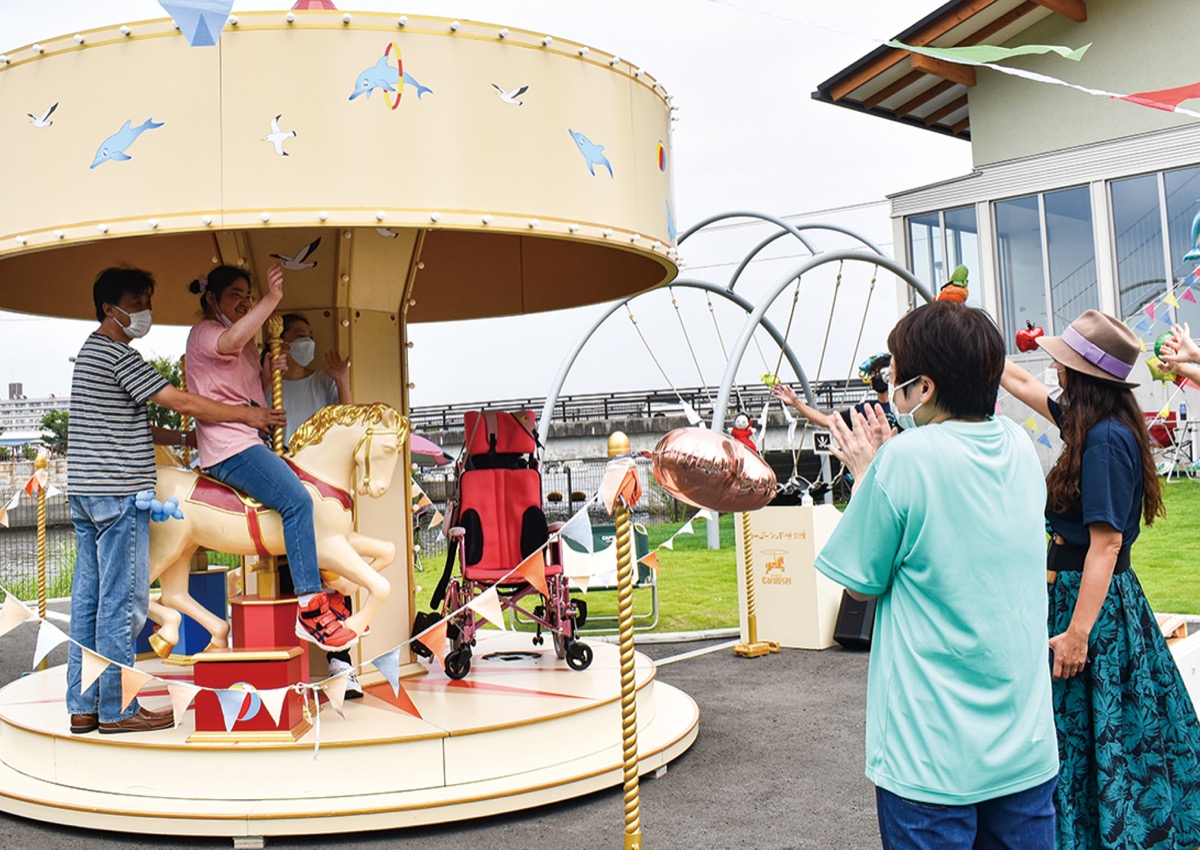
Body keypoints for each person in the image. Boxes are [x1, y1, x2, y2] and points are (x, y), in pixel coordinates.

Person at [815, 302, 1058, 849]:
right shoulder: (1020, 446)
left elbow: (860, 582)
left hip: (930, 754)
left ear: (922, 387)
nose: (889, 384)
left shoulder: (904, 461)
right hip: (1025, 742)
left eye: (893, 372)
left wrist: (865, 472)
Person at [1000, 309, 1200, 850]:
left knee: (1098, 731)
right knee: (1091, 733)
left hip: (1094, 606)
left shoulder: (1107, 439)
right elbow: (1017, 382)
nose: (1052, 371)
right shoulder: (1088, 420)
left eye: (1062, 363)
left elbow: (1107, 544)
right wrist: (966, 340)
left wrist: (1078, 632)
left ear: (1081, 375)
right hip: (1083, 596)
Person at [67, 266, 284, 735]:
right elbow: (182, 400)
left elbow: (141, 424)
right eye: (139, 302)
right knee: (121, 604)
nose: (146, 312)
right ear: (111, 308)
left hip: (85, 493)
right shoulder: (122, 356)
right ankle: (117, 709)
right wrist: (248, 415)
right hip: (119, 492)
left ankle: (83, 705)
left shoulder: (89, 353)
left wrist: (184, 437)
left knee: (87, 602)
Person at [185, 264, 358, 652]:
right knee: (297, 501)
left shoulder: (245, 344)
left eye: (248, 293)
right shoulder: (206, 332)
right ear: (211, 298)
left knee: (308, 497)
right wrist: (272, 298)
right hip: (229, 446)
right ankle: (311, 606)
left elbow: (247, 390)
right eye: (236, 294)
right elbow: (229, 344)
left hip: (251, 440)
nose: (244, 300)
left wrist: (267, 373)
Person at [274, 313, 361, 697]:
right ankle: (284, 663)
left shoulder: (322, 383)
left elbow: (349, 422)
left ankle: (341, 661)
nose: (307, 342)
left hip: (319, 488)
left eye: (309, 335)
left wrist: (341, 379)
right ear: (284, 343)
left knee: (333, 569)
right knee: (285, 572)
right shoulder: (270, 387)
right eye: (299, 336)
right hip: (282, 480)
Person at [771, 352, 896, 431]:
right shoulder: (863, 409)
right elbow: (827, 421)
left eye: (881, 372)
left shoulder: (902, 409)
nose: (877, 376)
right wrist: (795, 402)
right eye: (874, 373)